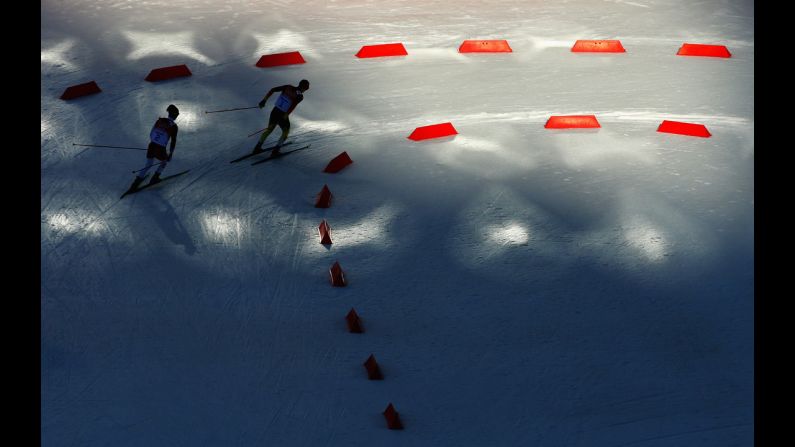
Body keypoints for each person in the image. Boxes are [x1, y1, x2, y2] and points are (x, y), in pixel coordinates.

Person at [129, 104, 179, 190]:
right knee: (164, 162)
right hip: (160, 148)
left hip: (152, 145)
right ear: (175, 115)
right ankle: (155, 178)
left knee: (148, 164)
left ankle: (135, 183)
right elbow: (173, 141)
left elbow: (151, 133)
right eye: (177, 115)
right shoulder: (174, 126)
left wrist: (154, 142)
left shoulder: (159, 121)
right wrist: (170, 153)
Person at [253, 79, 309, 156]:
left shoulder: (288, 87)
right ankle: (276, 151)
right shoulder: (300, 96)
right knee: (285, 132)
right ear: (304, 88)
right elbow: (292, 106)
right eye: (306, 89)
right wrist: (286, 115)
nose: (305, 91)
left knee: (269, 130)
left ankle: (257, 148)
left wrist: (264, 100)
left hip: (275, 111)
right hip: (282, 115)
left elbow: (272, 90)